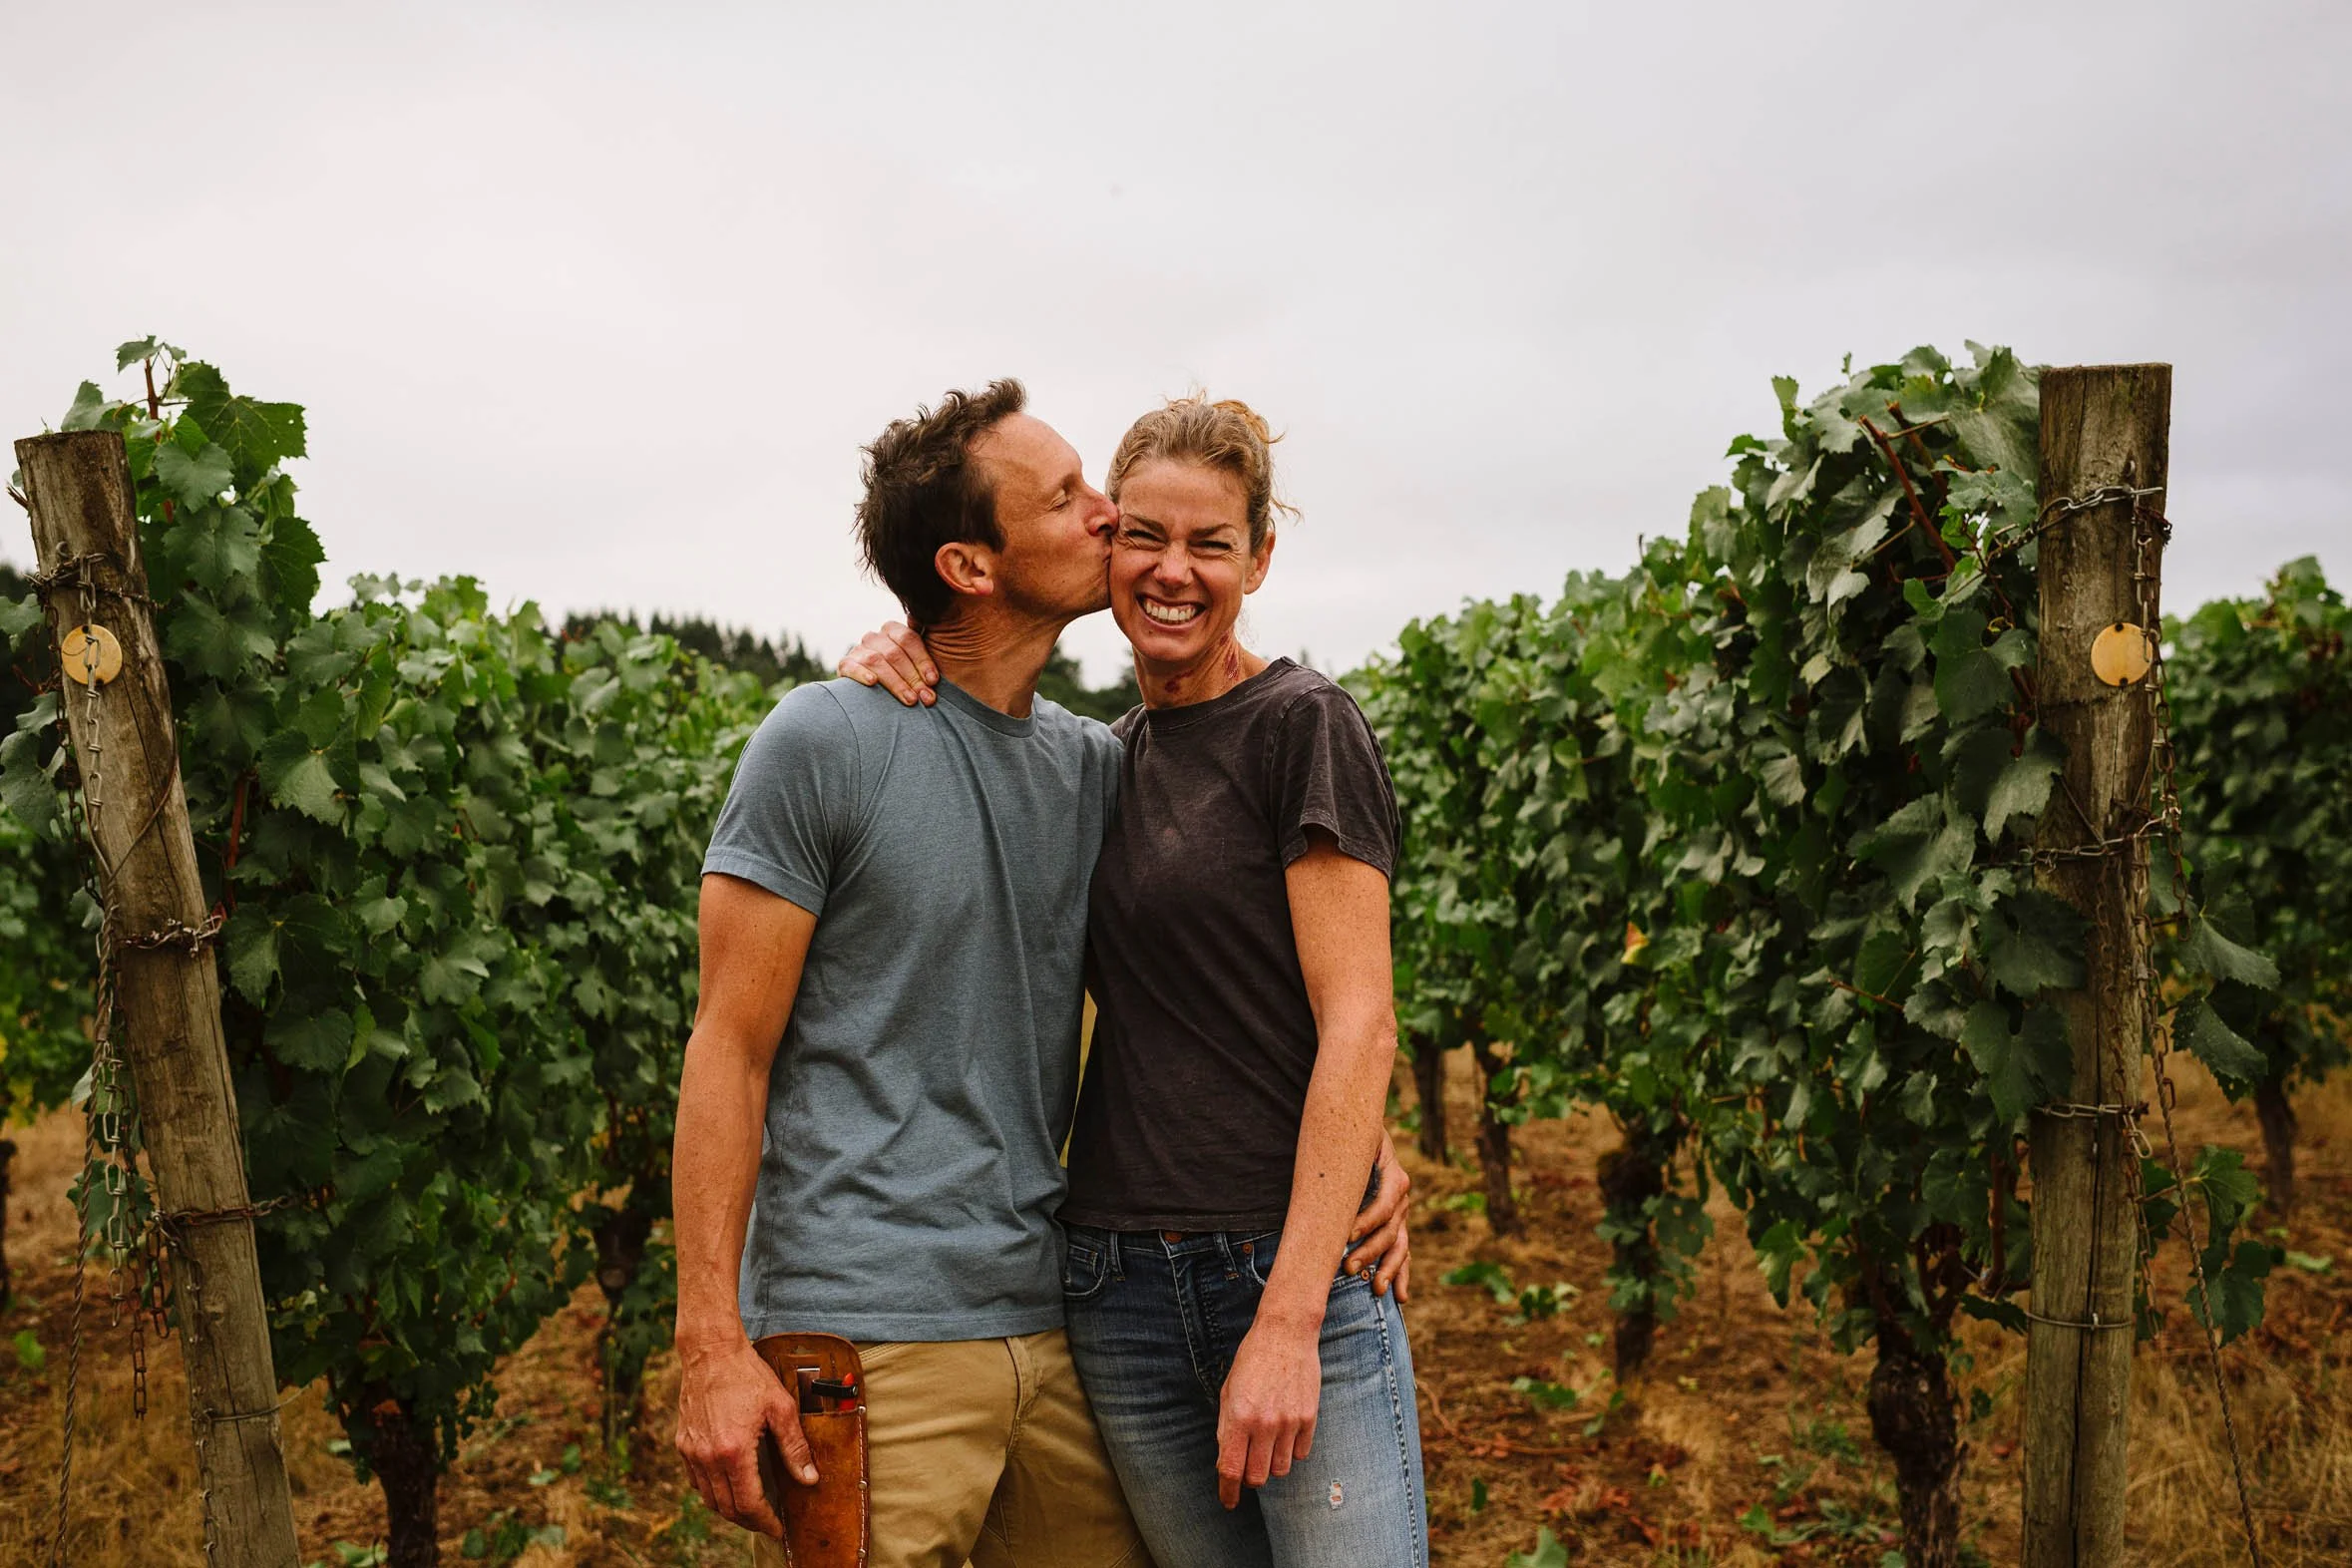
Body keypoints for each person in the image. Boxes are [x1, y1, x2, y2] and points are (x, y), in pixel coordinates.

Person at [669, 380, 1412, 1568]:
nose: (1112, 520)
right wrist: (708, 1341)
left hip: (1057, 1316)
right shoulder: (826, 739)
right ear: (969, 566)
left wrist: (1358, 1141)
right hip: (872, 1330)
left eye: (1100, 491)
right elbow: (727, 1047)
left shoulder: (1091, 767)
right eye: (1072, 500)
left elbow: (1275, 979)